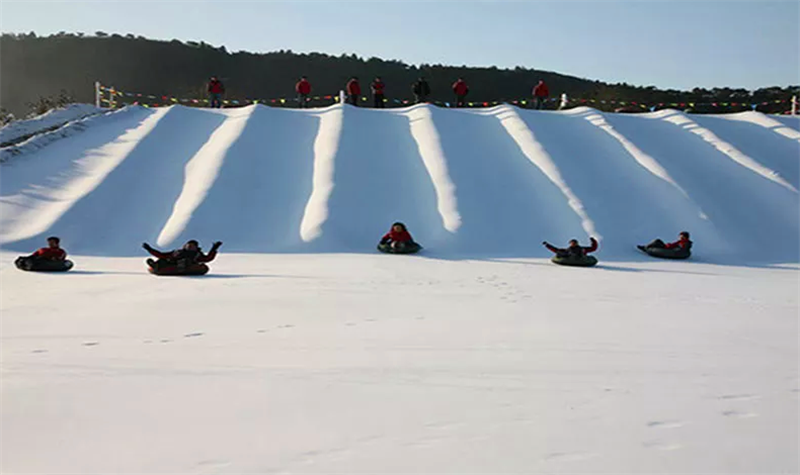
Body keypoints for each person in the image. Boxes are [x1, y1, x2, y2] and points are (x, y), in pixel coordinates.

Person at [143, 240, 222, 271]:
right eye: (188, 245)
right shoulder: (178, 252)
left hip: (188, 267)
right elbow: (162, 255)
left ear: (196, 247)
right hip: (174, 265)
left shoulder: (197, 254)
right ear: (185, 246)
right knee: (162, 260)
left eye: (192, 246)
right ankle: (155, 266)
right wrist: (150, 249)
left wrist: (214, 249)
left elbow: (208, 258)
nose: (190, 247)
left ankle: (159, 268)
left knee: (188, 262)